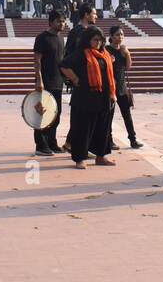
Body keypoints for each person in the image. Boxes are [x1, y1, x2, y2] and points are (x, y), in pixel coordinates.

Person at [59, 26, 116, 169]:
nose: (98, 43)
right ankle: (80, 159)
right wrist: (75, 79)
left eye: (100, 40)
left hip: (103, 98)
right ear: (87, 40)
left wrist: (112, 94)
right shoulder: (81, 53)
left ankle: (101, 156)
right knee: (82, 129)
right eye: (95, 40)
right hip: (84, 98)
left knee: (103, 129)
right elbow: (63, 65)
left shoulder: (104, 54)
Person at [32, 10, 67, 156]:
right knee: (43, 114)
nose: (62, 24)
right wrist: (39, 79)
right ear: (51, 22)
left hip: (58, 81)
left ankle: (52, 142)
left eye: (63, 21)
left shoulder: (61, 38)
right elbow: (37, 60)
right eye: (59, 21)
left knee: (56, 114)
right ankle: (41, 145)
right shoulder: (42, 38)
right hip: (45, 82)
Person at [107, 24, 142, 149]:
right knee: (109, 116)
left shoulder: (123, 49)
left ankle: (133, 139)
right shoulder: (106, 50)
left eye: (122, 34)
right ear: (111, 37)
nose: (120, 37)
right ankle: (109, 140)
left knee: (127, 115)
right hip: (110, 87)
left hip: (122, 87)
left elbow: (127, 67)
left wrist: (127, 54)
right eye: (117, 34)